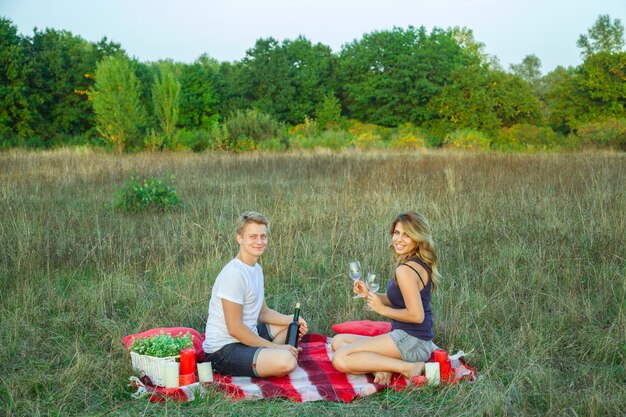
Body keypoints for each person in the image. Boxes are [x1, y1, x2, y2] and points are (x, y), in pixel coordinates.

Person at [331, 211, 440, 385]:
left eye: (407, 235)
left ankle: (408, 368)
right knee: (339, 340)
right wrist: (369, 294)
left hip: (412, 342)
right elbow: (399, 300)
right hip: (410, 339)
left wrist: (382, 310)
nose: (399, 239)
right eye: (397, 233)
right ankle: (381, 368)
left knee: (340, 359)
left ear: (417, 238)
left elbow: (416, 316)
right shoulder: (415, 263)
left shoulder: (405, 270)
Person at [203, 211, 308, 377]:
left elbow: (262, 312)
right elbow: (235, 329)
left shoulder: (256, 269)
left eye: (263, 236)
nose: (259, 242)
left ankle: (277, 353)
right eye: (253, 236)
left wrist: (292, 319)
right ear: (240, 238)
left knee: (290, 328)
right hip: (223, 351)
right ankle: (279, 354)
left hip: (249, 337)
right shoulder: (234, 274)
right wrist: (275, 347)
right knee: (286, 361)